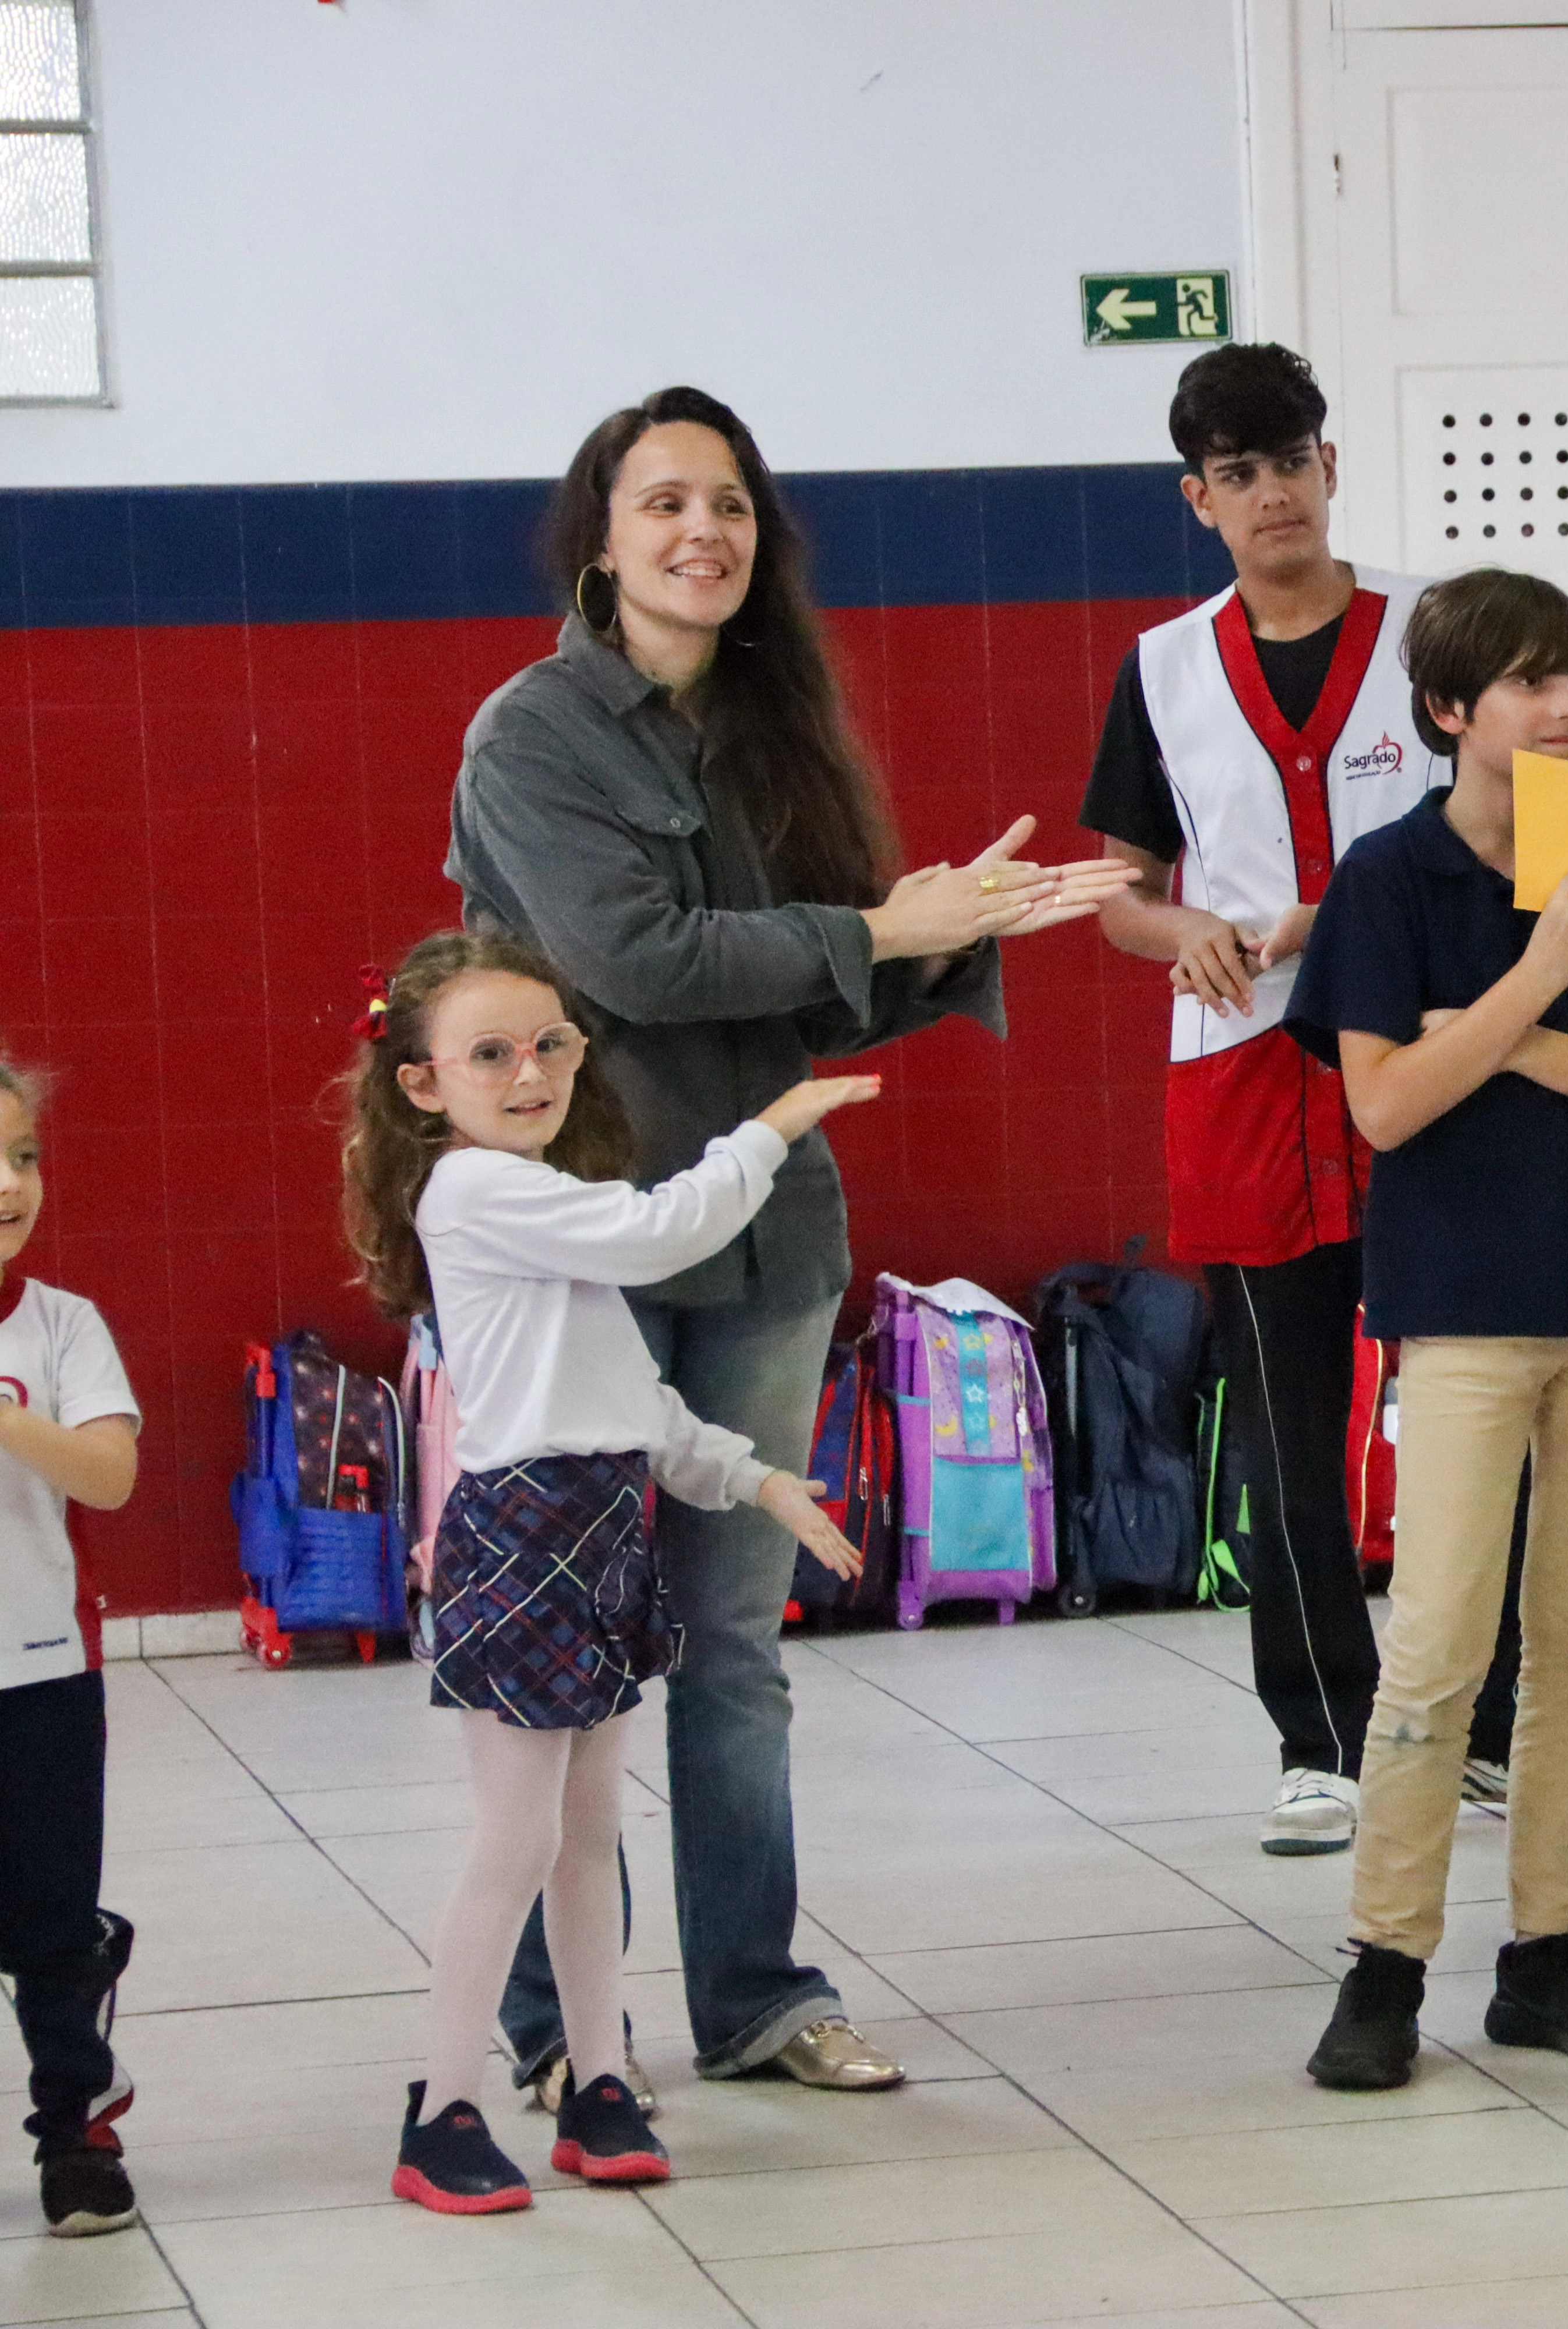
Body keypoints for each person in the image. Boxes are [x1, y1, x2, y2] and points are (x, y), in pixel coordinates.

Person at [449, 387, 1130, 2099]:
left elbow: (813, 996)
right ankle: (550, 2027)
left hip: (763, 1240)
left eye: (733, 506)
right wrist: (873, 926)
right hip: (588, 1247)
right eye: (667, 503)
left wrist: (958, 931)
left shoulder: (777, 721)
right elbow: (635, 962)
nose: (706, 534)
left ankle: (753, 1998)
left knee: (734, 1650)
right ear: (600, 539)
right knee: (571, 1656)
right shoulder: (529, 735)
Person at [1085, 345, 1568, 1852]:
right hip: (1250, 1080)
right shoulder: (1161, 667)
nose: (1274, 495)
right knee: (1287, 1424)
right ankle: (1320, 1737)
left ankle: (1494, 1724)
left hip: (1451, 1068)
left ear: (1333, 465)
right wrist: (1183, 928)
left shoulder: (1448, 628)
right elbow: (1123, 898)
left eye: (1294, 462)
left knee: (1490, 1398)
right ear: (1197, 498)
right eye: (1240, 474)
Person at [340, 933, 886, 2211]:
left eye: (551, 1045)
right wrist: (775, 1125)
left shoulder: (546, 1204)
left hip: (601, 1528)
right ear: (425, 1084)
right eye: (491, 1053)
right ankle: (444, 2107)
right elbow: (659, 1234)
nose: (529, 1071)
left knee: (588, 1835)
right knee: (517, 1838)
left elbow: (632, 1403)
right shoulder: (480, 1191)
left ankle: (598, 2083)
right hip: (525, 1539)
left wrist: (758, 1481)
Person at [1288, 570, 1568, 2091]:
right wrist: (1538, 984)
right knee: (1441, 1644)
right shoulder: (1390, 881)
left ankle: (1545, 1952)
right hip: (1461, 1308)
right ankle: (1387, 1960)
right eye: (1534, 683)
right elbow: (1387, 1102)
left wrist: (1515, 1038)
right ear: (1451, 711)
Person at [0, 1057, 144, 2239]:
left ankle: (74, 2129)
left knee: (50, 1918)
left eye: (25, 1153)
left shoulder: (64, 1326)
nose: (10, 1182)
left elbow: (110, 1470)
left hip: (41, 1674)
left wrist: (6, 1413)